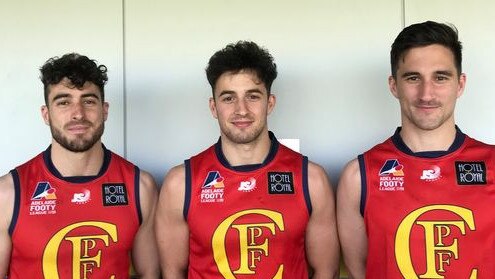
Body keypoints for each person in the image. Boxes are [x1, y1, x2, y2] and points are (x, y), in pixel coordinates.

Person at [155, 41, 340, 278]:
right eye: (228, 98)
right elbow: (172, 272)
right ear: (213, 107)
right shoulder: (180, 183)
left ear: (269, 103)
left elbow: (326, 270)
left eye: (252, 96)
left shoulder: (311, 180)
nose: (241, 110)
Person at [337, 21, 495, 278]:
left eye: (440, 78)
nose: (426, 94)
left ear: (460, 84)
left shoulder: (492, 163)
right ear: (393, 85)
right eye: (413, 78)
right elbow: (362, 271)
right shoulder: (359, 176)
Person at [0, 53, 160, 278]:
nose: (78, 114)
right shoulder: (7, 193)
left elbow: (150, 273)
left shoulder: (140, 187)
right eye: (64, 102)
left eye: (88, 101)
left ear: (104, 110)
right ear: (46, 114)